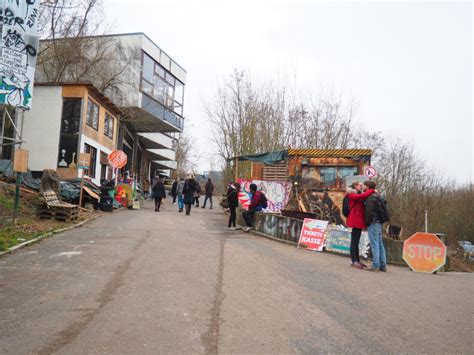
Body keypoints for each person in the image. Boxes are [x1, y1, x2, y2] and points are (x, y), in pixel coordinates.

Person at [346, 181, 375, 269]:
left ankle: (357, 260)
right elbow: (362, 196)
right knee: (354, 241)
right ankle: (354, 260)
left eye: (362, 185)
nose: (361, 186)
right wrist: (371, 190)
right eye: (360, 185)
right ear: (355, 186)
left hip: (357, 220)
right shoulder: (351, 194)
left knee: (356, 241)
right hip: (354, 220)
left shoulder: (359, 194)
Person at [364, 180, 387, 272]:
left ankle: (375, 265)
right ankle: (383, 265)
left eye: (365, 186)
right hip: (379, 222)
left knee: (374, 244)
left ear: (368, 187)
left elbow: (368, 211)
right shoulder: (378, 196)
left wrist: (367, 222)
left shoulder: (370, 198)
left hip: (373, 222)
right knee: (380, 243)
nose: (363, 188)